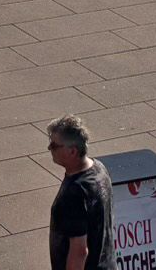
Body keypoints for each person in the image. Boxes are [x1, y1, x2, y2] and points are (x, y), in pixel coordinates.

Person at [45, 115, 113, 270]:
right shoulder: (99, 168)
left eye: (54, 145)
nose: (49, 148)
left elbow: (79, 252)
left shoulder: (73, 194)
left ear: (72, 151)